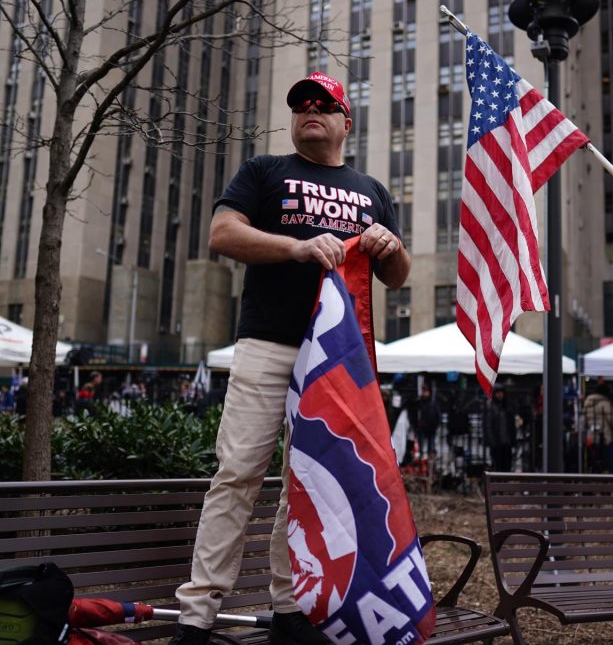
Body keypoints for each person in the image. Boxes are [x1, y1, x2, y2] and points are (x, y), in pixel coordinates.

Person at [170, 72, 411, 645]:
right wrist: (298, 247)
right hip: (267, 344)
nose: (310, 109)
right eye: (301, 102)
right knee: (236, 476)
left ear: (344, 121)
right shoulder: (264, 172)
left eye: (323, 104)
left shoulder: (372, 189)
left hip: (333, 360)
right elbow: (223, 234)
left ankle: (289, 608)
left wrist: (391, 247)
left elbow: (397, 278)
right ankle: (197, 617)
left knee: (307, 484)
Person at [580, 381, 613, 473]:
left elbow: (583, 422)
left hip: (591, 438)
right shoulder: (605, 402)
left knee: (595, 463)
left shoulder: (587, 402)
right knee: (610, 464)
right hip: (606, 438)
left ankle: (595, 483)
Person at [485, 384, 516, 471]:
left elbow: (512, 424)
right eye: (498, 393)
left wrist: (512, 439)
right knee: (498, 464)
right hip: (497, 442)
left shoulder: (507, 406)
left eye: (501, 393)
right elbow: (488, 425)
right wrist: (492, 441)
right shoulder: (491, 407)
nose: (500, 395)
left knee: (507, 464)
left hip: (506, 441)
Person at [411, 383, 440, 457]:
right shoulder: (420, 403)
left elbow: (436, 415)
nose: (425, 393)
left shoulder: (432, 403)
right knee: (421, 446)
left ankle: (428, 460)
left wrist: (435, 425)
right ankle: (422, 459)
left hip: (431, 428)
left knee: (430, 447)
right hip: (422, 427)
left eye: (426, 391)